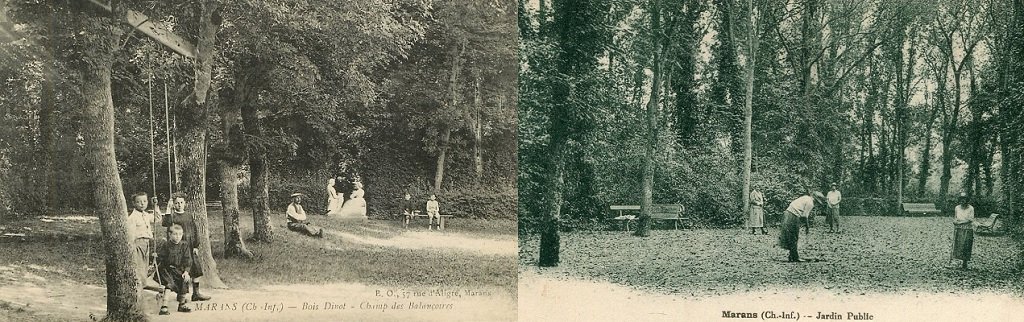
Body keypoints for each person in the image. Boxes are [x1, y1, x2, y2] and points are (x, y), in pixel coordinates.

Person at [160, 192, 211, 301]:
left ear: (185, 203)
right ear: (174, 204)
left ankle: (196, 293)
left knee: (196, 268)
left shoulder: (188, 215)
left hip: (191, 245)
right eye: (177, 203)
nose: (179, 204)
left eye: (181, 202)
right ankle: (181, 294)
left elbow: (195, 229)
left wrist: (196, 245)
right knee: (182, 270)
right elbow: (165, 223)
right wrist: (168, 210)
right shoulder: (173, 216)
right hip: (181, 247)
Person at [127, 192, 163, 291]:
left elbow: (157, 218)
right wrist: (132, 245)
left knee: (145, 263)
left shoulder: (146, 215)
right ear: (134, 203)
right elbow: (131, 233)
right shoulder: (132, 218)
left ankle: (143, 283)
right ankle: (138, 284)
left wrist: (155, 206)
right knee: (139, 264)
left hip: (146, 243)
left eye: (144, 201)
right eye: (139, 202)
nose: (142, 204)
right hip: (138, 242)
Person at [155, 224, 193, 315]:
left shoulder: (184, 245)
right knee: (169, 284)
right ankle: (164, 306)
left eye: (180, 234)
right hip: (166, 269)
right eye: (175, 234)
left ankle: (182, 304)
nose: (178, 237)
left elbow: (188, 260)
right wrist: (156, 256)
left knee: (184, 281)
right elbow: (161, 258)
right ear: (169, 235)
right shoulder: (166, 245)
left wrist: (186, 272)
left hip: (179, 269)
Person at [779, 191, 825, 262]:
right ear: (815, 200)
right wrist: (807, 227)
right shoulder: (810, 203)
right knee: (794, 236)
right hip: (793, 216)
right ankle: (795, 257)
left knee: (791, 236)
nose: (817, 205)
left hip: (787, 213)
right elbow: (804, 216)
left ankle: (792, 255)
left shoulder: (806, 197)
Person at [951, 193, 975, 269]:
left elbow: (970, 219)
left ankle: (965, 262)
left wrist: (960, 222)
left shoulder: (971, 208)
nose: (962, 201)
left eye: (964, 199)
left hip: (967, 228)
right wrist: (954, 221)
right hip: (959, 228)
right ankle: (957, 261)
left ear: (967, 200)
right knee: (959, 245)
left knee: (966, 245)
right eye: (961, 199)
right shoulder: (957, 207)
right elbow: (955, 217)